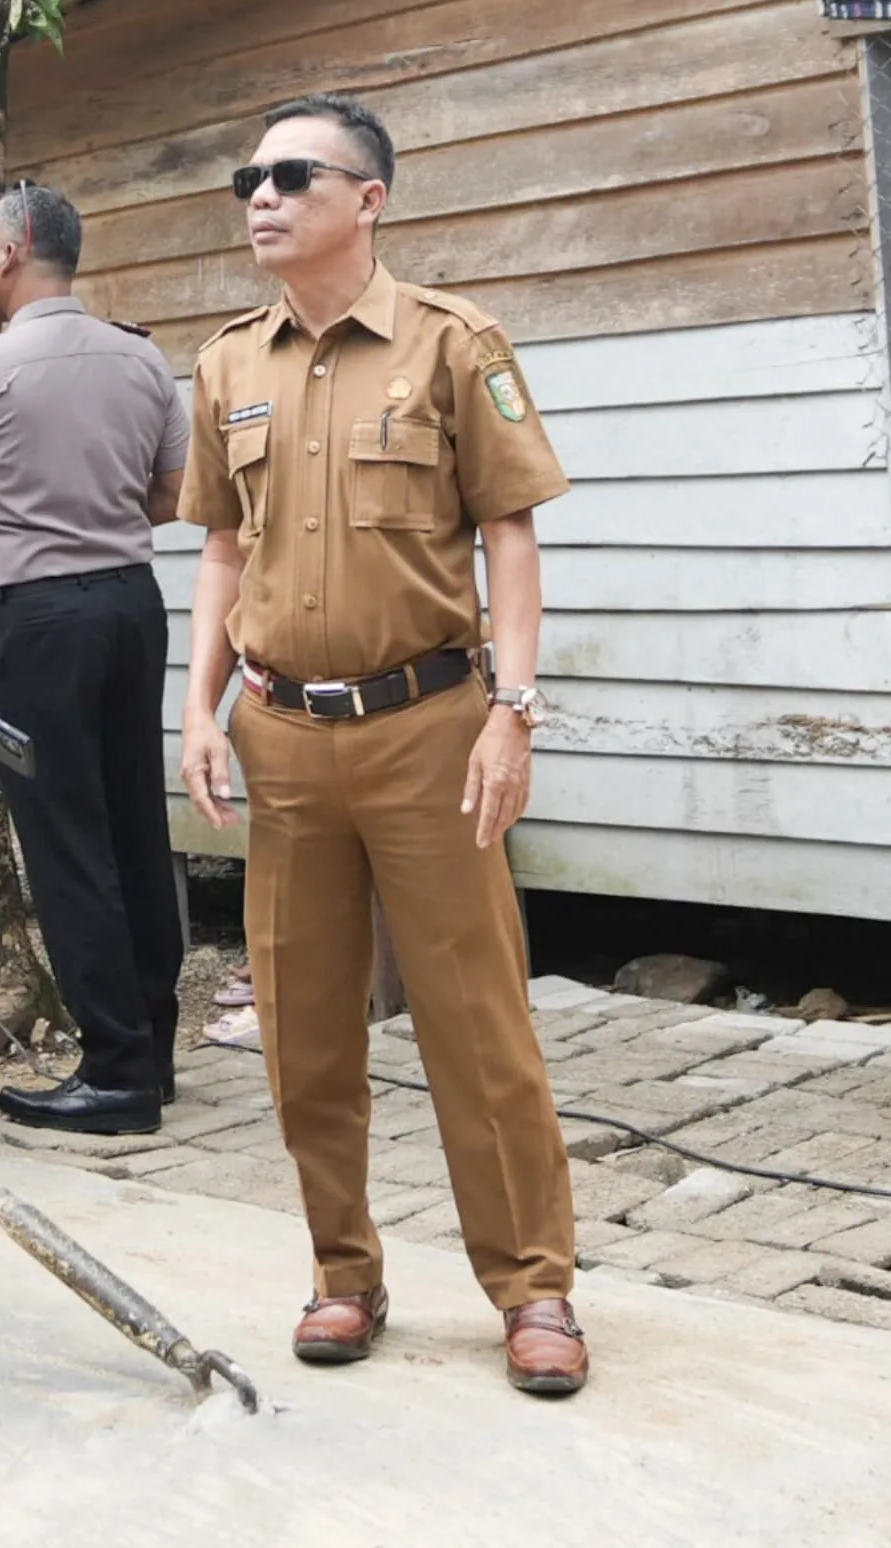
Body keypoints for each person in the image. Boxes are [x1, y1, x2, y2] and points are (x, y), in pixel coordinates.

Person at [176, 91, 590, 1400]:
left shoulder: (454, 344)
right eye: (250, 174)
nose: (262, 194)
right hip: (284, 732)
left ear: (370, 200)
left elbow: (511, 532)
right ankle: (342, 1272)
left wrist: (514, 709)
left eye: (294, 174)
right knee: (303, 1026)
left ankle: (534, 1288)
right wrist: (196, 708)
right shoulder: (226, 364)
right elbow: (222, 548)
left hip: (430, 727)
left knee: (476, 1022)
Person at [0, 179, 188, 1135]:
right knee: (132, 830)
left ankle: (114, 1076)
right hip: (132, 605)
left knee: (68, 844)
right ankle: (150, 1054)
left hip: (37, 621)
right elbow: (169, 496)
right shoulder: (142, 362)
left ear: (8, 254)